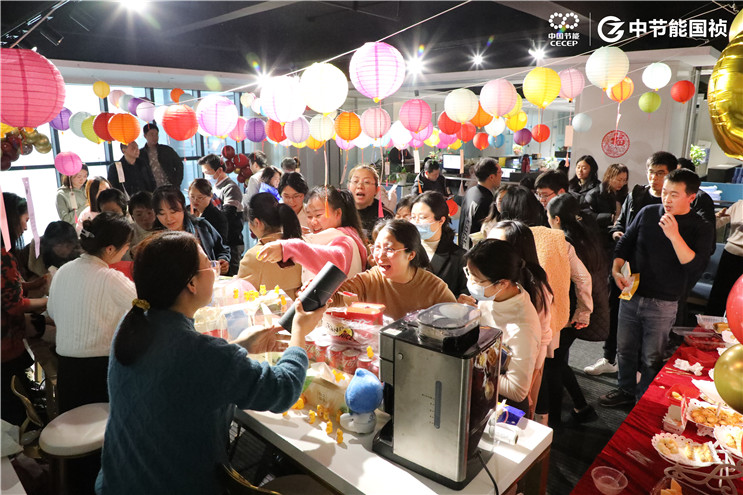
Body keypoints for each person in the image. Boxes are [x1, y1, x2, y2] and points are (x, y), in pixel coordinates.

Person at [95, 230, 328, 495]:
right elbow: (282, 390)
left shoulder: (133, 325)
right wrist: (299, 332)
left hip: (118, 482)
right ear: (191, 283)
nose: (215, 271)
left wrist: (240, 346)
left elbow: (185, 370)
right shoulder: (199, 352)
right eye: (209, 264)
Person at [600, 169, 714, 407]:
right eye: (664, 192)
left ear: (691, 197)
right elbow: (624, 243)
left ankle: (643, 398)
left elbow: (694, 267)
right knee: (625, 349)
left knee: (652, 357)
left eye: (674, 194)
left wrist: (674, 235)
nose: (667, 199)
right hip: (632, 292)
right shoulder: (648, 212)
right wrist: (616, 268)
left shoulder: (700, 226)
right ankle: (625, 390)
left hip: (664, 301)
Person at [494, 186, 592, 426]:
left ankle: (522, 421)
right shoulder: (557, 238)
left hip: (511, 320)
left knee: (514, 374)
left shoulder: (502, 237)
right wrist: (583, 311)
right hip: (551, 317)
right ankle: (543, 423)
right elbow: (583, 278)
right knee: (545, 370)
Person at [48, 212, 135, 413]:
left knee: (76, 426)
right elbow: (145, 307)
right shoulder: (110, 278)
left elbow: (52, 311)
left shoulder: (63, 271)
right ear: (110, 249)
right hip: (101, 371)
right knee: (105, 426)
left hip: (67, 371)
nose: (127, 250)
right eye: (126, 246)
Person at [458, 239, 542, 412]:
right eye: (469, 274)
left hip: (500, 407)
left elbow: (517, 390)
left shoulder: (522, 328)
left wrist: (470, 366)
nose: (471, 283)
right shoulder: (496, 295)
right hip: (479, 392)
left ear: (502, 283)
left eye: (477, 280)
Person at [546, 194, 608, 423]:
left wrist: (582, 312)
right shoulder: (587, 237)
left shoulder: (565, 243)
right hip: (581, 308)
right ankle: (581, 407)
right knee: (557, 361)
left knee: (553, 363)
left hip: (569, 311)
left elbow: (582, 280)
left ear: (557, 219)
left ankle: (554, 420)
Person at [487, 220, 553, 417]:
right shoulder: (489, 277)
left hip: (516, 374)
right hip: (493, 367)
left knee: (514, 419)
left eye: (498, 246)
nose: (489, 252)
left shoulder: (534, 288)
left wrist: (530, 385)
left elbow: (542, 339)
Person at [331, 220, 456, 320]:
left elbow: (456, 321)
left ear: (411, 255)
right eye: (377, 248)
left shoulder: (435, 288)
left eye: (389, 249)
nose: (380, 256)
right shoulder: (368, 280)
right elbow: (334, 299)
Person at [2, 193, 48, 426]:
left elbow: (8, 289)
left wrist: (33, 285)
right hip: (6, 344)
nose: (26, 227)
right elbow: (14, 305)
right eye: (25, 220)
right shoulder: (4, 258)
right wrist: (48, 302)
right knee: (25, 398)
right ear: (11, 219)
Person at [257, 186, 368, 280]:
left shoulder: (344, 239)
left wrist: (290, 248)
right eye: (309, 216)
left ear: (338, 213)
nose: (313, 222)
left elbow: (334, 261)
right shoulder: (329, 238)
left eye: (318, 215)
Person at [152, 185, 230, 274]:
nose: (168, 218)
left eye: (173, 212)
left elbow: (222, 249)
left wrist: (222, 260)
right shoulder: (157, 241)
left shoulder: (201, 226)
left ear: (183, 207)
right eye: (162, 214)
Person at [238, 193, 303, 299]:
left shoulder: (256, 255)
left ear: (257, 223)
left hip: (269, 310)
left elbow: (242, 296)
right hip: (300, 308)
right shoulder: (300, 246)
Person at [410, 192, 468, 297]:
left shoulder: (460, 257)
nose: (416, 222)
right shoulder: (406, 249)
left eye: (422, 217)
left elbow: (465, 295)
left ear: (441, 220)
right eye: (413, 217)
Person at [199, 154, 245, 275]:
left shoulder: (231, 188)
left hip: (232, 242)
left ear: (219, 170)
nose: (206, 176)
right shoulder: (214, 187)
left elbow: (227, 216)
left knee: (231, 276)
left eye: (207, 172)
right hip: (221, 242)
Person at [708, 199, 743, 315]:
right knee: (720, 293)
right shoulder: (739, 204)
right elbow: (716, 224)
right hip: (731, 254)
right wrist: (716, 217)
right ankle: (712, 322)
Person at [458, 157, 501, 250]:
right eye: (500, 172)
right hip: (476, 250)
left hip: (463, 246)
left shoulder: (470, 192)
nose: (501, 175)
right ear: (492, 177)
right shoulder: (487, 201)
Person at [347, 165, 393, 238]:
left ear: (377, 190)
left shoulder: (386, 216)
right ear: (349, 187)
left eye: (366, 182)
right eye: (355, 181)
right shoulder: (340, 211)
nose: (360, 186)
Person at [584, 163, 629, 231]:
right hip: (600, 232)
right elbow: (587, 216)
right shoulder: (594, 194)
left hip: (619, 231)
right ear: (609, 177)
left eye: (624, 180)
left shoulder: (625, 196)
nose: (621, 183)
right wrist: (610, 217)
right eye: (619, 180)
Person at [139, 122, 183, 188]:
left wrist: (177, 183)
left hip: (170, 186)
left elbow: (179, 165)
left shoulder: (166, 150)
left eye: (156, 134)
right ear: (145, 136)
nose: (155, 137)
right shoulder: (141, 154)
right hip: (152, 190)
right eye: (152, 134)